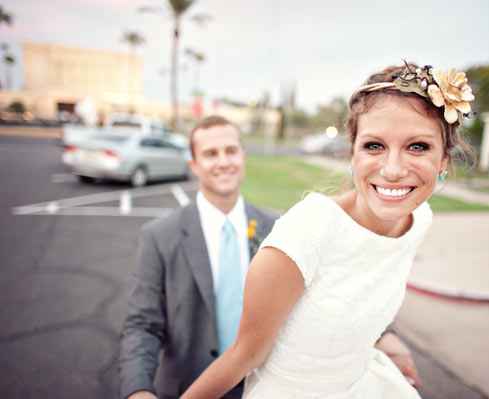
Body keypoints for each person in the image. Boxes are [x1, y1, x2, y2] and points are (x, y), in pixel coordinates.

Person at [181, 62, 474, 399]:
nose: (393, 170)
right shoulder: (306, 233)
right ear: (352, 154)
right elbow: (244, 356)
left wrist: (384, 338)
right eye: (374, 146)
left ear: (444, 163)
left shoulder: (419, 219)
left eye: (418, 146)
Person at [119, 115, 422, 399]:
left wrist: (385, 334)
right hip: (190, 386)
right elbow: (142, 325)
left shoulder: (282, 227)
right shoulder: (159, 236)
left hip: (267, 384)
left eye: (231, 151)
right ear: (194, 165)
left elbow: (343, 287)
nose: (223, 162)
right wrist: (138, 390)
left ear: (243, 156)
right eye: (211, 154)